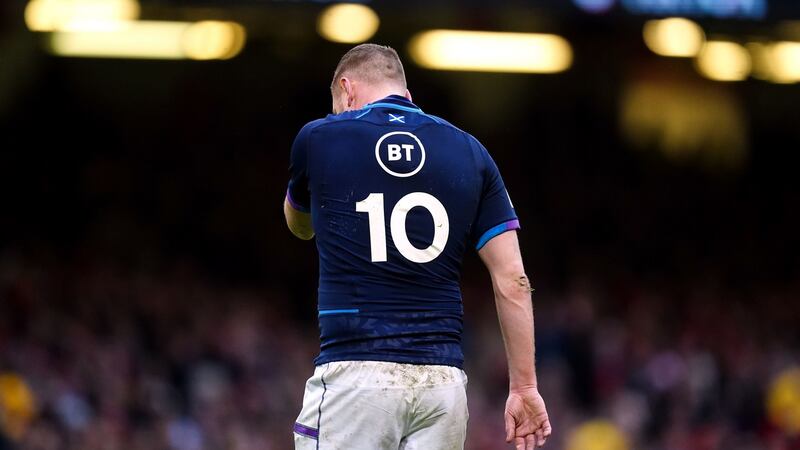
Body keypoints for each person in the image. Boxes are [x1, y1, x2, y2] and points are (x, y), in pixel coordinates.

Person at [284, 43, 551, 450]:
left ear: (346, 89)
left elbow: (299, 225)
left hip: (356, 376)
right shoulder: (471, 152)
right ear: (407, 96)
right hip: (441, 385)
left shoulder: (319, 138)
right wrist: (525, 387)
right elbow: (513, 279)